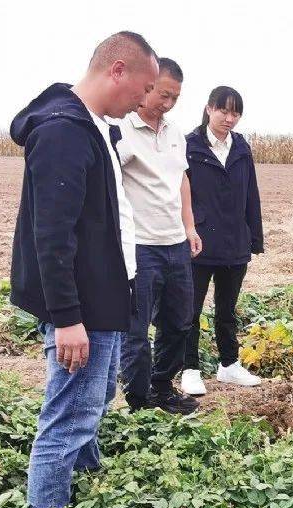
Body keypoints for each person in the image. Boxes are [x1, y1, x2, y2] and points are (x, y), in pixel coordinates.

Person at [9, 32, 158, 508]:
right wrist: (68, 318)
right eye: (142, 88)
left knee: (94, 398)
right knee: (69, 415)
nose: (143, 102)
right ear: (117, 69)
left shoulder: (93, 126)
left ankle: (89, 483)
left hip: (106, 295)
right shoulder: (64, 131)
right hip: (82, 306)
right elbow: (51, 237)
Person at [118, 58, 202, 415]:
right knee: (136, 331)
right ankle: (138, 402)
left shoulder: (174, 133)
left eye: (175, 98)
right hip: (140, 246)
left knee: (179, 322)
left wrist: (190, 227)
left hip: (175, 244)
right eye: (164, 95)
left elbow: (181, 179)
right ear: (148, 85)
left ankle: (162, 387)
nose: (168, 104)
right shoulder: (121, 129)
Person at [181, 86, 264, 395]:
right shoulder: (190, 146)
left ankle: (229, 365)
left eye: (235, 113)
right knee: (190, 310)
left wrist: (253, 237)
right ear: (208, 109)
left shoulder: (241, 147)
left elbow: (250, 194)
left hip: (234, 242)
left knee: (227, 309)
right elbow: (181, 196)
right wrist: (188, 230)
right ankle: (189, 368)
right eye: (223, 111)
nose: (229, 119)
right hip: (199, 242)